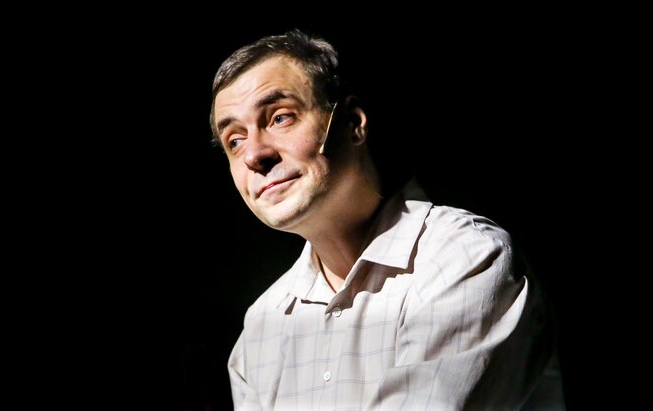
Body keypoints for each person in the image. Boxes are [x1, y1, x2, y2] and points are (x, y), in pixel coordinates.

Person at [210, 29, 563, 410]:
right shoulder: (261, 326)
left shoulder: (463, 256)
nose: (254, 155)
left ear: (353, 122)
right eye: (235, 140)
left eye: (280, 118)